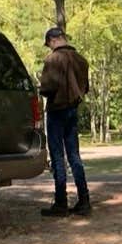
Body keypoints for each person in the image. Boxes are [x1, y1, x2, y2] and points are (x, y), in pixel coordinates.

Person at [37, 27, 92, 216]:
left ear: (53, 40)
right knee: (74, 156)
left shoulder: (53, 59)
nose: (49, 47)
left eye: (49, 43)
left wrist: (40, 87)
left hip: (56, 111)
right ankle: (84, 200)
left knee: (58, 157)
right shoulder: (81, 60)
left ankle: (61, 203)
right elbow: (85, 88)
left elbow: (47, 88)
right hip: (73, 110)